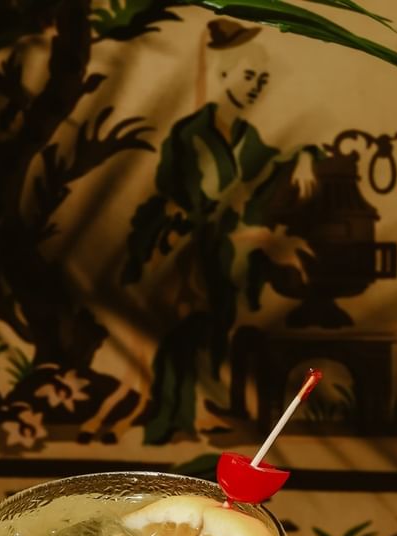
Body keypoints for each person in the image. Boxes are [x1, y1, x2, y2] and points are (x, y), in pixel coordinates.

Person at [118, 18, 315, 444]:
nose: (257, 85)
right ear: (223, 74)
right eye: (249, 76)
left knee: (211, 332)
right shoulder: (191, 135)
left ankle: (197, 410)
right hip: (186, 251)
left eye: (262, 78)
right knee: (184, 333)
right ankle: (175, 414)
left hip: (222, 255)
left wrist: (303, 156)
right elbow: (195, 197)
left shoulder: (249, 137)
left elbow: (269, 171)